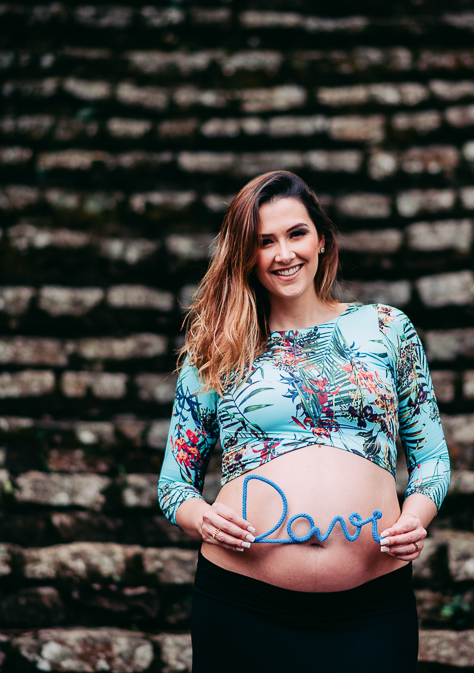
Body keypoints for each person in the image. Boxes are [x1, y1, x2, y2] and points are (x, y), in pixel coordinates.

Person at [157, 170, 450, 673]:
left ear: (321, 238)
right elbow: (173, 486)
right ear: (245, 255)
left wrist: (414, 520)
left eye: (296, 233)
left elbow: (432, 461)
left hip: (372, 606)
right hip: (243, 604)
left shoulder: (384, 328)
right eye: (263, 242)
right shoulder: (215, 350)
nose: (283, 253)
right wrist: (203, 518)